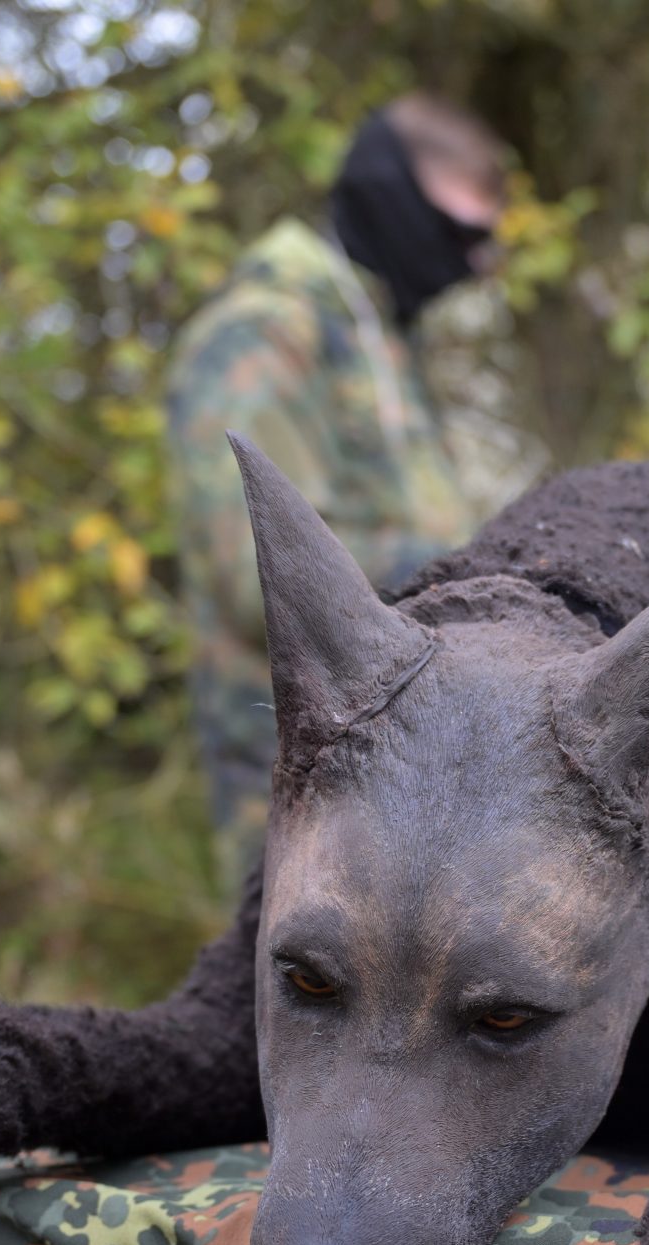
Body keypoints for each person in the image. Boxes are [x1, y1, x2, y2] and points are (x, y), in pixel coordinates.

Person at [165, 94, 507, 884]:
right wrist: (483, 572)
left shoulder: (377, 337)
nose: (476, 264)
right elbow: (261, 570)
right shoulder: (266, 330)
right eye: (461, 234)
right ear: (391, 198)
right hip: (300, 787)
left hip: (401, 770)